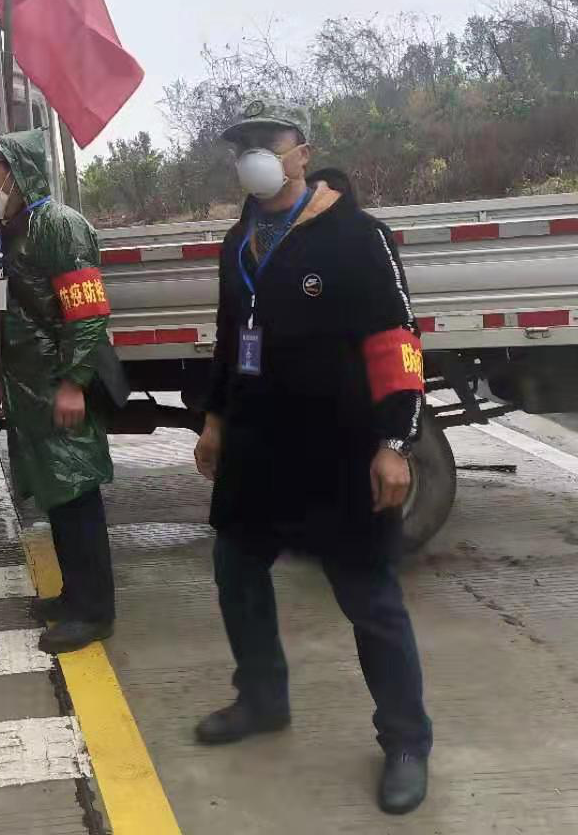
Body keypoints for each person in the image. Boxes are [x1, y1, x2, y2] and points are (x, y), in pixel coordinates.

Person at [192, 98, 433, 815]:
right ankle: (262, 698)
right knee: (235, 569)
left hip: (338, 450)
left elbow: (397, 340)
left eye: (268, 142)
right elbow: (230, 337)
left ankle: (406, 741)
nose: (254, 156)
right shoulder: (240, 239)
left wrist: (394, 443)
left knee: (369, 600)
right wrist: (214, 420)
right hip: (257, 447)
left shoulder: (358, 235)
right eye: (243, 146)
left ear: (303, 153)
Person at [0, 128, 118, 655]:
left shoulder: (59, 226)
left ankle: (94, 613)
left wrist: (74, 384)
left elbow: (88, 313)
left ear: (18, 172)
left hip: (58, 386)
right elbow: (13, 315)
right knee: (58, 496)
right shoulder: (13, 230)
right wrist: (1, 383)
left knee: (77, 496)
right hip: (31, 388)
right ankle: (75, 595)